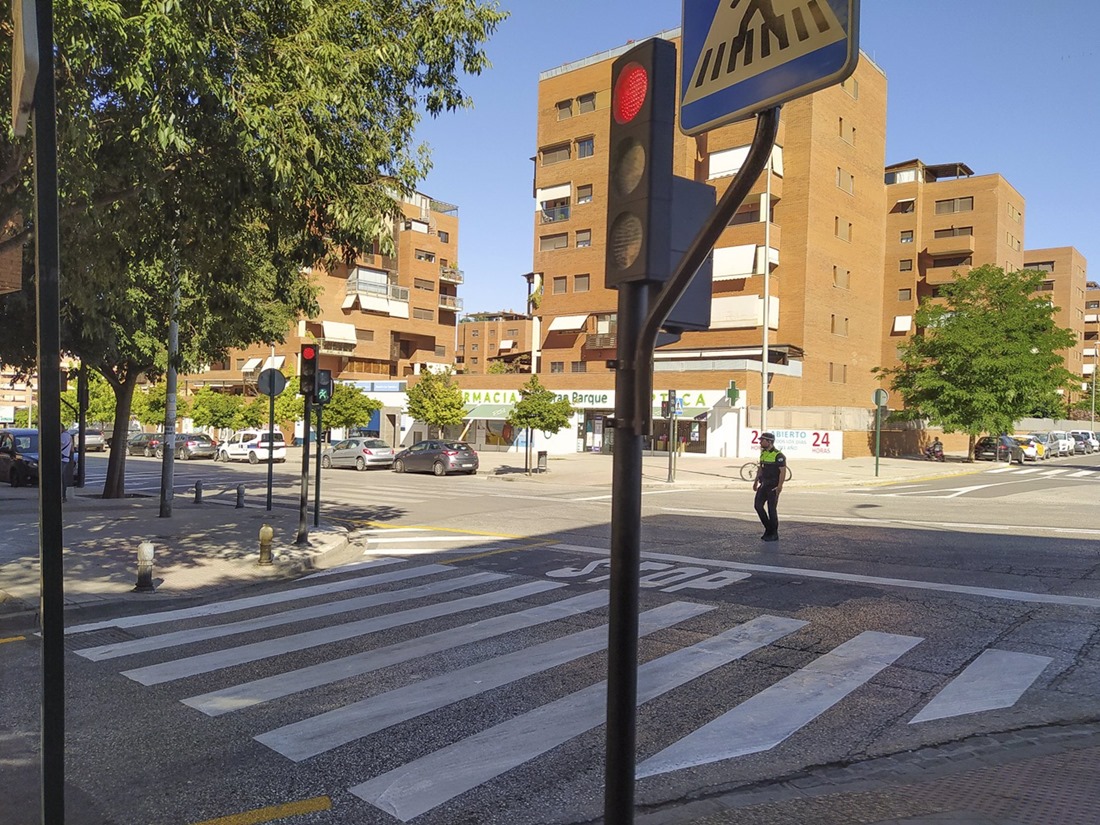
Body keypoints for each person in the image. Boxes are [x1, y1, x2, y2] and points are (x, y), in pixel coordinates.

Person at [753, 432, 786, 542]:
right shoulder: (763, 453)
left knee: (771, 509)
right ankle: (768, 528)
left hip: (773, 486)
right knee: (758, 506)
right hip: (763, 485)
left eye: (762, 440)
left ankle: (774, 533)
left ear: (769, 442)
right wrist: (755, 481)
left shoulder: (778, 455)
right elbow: (760, 468)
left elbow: (782, 471)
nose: (760, 442)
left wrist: (780, 486)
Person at [60, 429, 75, 502]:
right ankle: (63, 496)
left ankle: (62, 496)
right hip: (65, 458)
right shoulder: (69, 436)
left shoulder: (63, 436)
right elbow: (72, 449)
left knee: (60, 478)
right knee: (62, 478)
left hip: (62, 459)